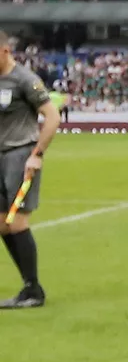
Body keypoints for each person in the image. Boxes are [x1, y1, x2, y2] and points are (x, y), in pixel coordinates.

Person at [0, 30, 58, 309]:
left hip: (20, 155)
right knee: (3, 224)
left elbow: (52, 116)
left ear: (5, 51)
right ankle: (28, 287)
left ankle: (33, 291)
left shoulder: (25, 80)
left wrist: (37, 154)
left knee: (17, 221)